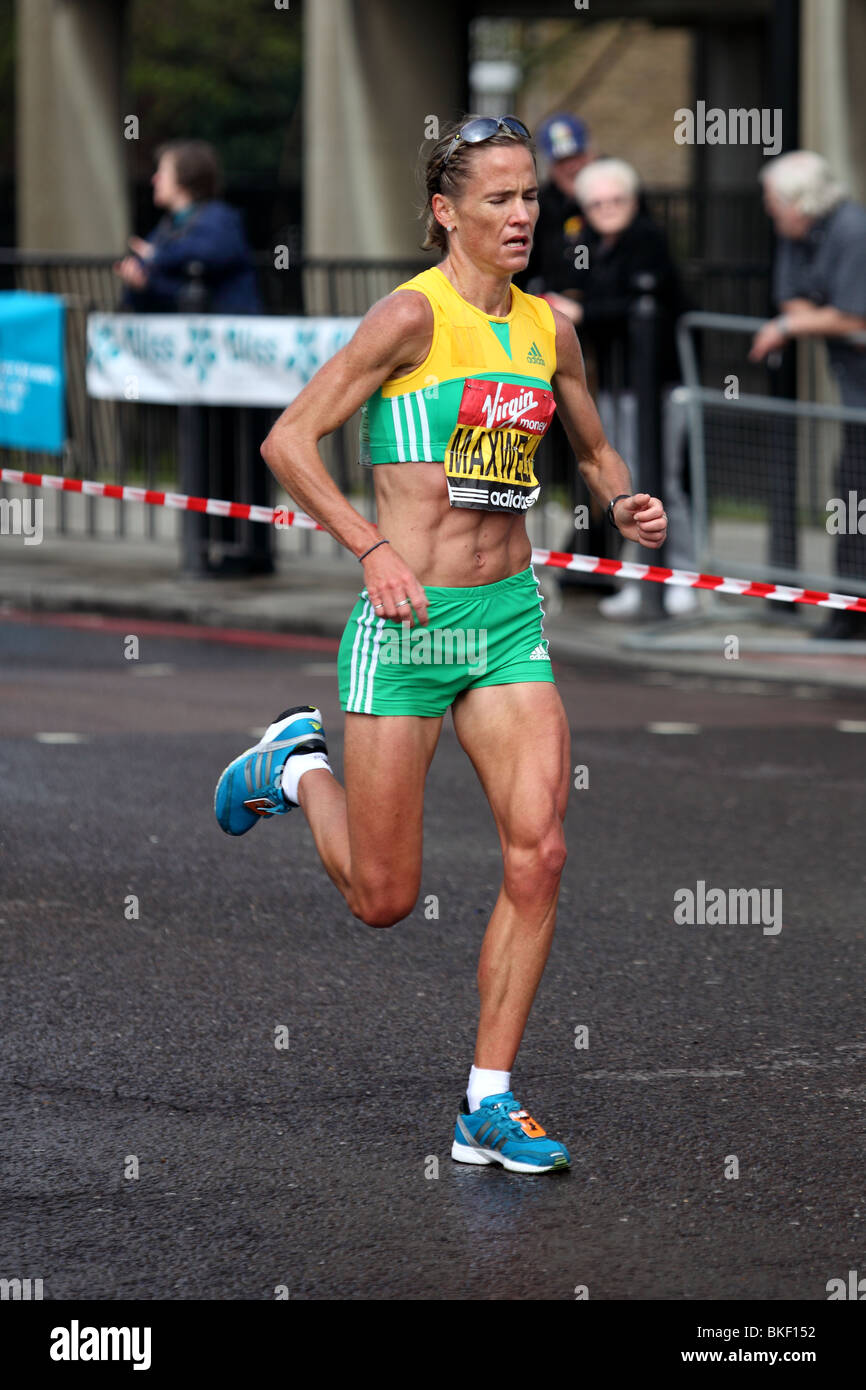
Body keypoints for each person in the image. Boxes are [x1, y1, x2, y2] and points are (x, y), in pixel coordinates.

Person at [213, 116, 667, 1175]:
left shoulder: (546, 327)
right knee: (382, 898)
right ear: (445, 211)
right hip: (404, 628)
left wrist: (623, 500)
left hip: (504, 620)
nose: (522, 216)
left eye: (528, 199)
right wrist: (369, 544)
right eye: (499, 199)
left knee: (540, 849)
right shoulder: (408, 318)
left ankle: (487, 1102)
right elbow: (286, 439)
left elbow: (592, 445)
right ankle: (295, 762)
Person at [544, 157, 695, 618]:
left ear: (633, 200)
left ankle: (682, 576)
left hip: (658, 386)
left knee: (663, 479)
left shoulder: (647, 240)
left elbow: (641, 304)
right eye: (596, 203)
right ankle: (640, 577)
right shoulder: (587, 242)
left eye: (616, 200)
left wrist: (586, 311)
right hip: (612, 384)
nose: (607, 209)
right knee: (626, 480)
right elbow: (569, 283)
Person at [750, 150, 866, 640]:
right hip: (855, 395)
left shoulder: (852, 233)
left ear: (799, 202)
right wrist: (803, 319)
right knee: (851, 496)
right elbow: (795, 300)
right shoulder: (796, 234)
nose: (769, 209)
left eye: (775, 201)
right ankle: (850, 609)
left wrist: (794, 324)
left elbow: (853, 317)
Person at [113, 139, 260, 314]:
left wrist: (157, 256)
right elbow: (172, 292)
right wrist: (142, 284)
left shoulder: (220, 220)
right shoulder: (166, 227)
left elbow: (206, 255)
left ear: (185, 177)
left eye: (162, 172)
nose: (154, 179)